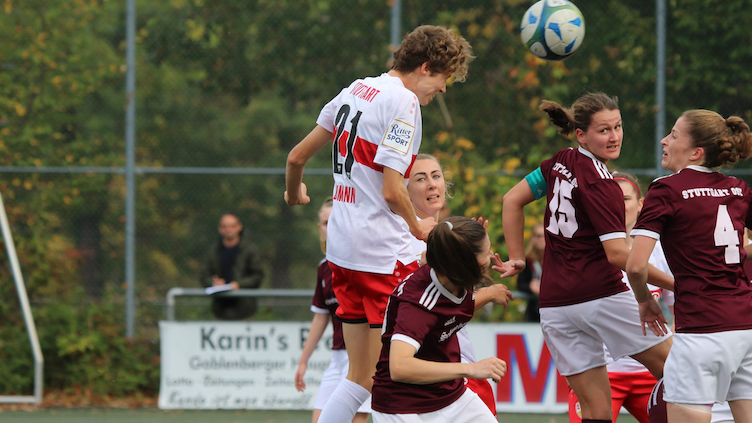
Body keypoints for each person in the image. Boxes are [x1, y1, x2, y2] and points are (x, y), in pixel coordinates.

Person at [284, 25, 474, 423]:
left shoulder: (355, 89)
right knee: (398, 377)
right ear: (425, 68)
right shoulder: (404, 103)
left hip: (341, 253)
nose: (442, 90)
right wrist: (418, 226)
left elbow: (296, 158)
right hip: (381, 257)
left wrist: (294, 192)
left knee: (359, 377)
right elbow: (392, 190)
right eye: (443, 80)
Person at [499, 92, 675, 423]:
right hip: (600, 296)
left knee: (595, 409)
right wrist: (678, 284)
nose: (614, 137)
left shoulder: (558, 162)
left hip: (554, 307)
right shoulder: (602, 183)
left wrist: (518, 257)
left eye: (618, 127)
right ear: (581, 134)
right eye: (604, 130)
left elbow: (511, 200)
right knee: (680, 371)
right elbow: (619, 255)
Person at [626, 109, 752, 423]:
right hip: (745, 329)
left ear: (696, 152)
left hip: (700, 333)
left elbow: (636, 266)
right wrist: (739, 255)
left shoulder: (666, 189)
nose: (663, 140)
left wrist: (644, 301)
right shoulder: (738, 188)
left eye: (674, 135)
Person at [371, 216, 512, 423]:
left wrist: (490, 292)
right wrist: (471, 368)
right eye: (486, 252)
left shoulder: (452, 271)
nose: (490, 256)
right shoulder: (420, 304)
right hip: (403, 408)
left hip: (451, 396)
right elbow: (399, 367)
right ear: (466, 262)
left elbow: (449, 310)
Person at [568, 171, 675, 423]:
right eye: (610, 199)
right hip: (601, 373)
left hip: (650, 372)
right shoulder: (583, 252)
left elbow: (679, 307)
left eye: (625, 199)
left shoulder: (662, 251)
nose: (618, 205)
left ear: (640, 205)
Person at [406, 153, 501, 415]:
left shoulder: (451, 235)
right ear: (404, 189)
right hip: (439, 373)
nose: (432, 184)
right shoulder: (404, 243)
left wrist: (478, 257)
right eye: (420, 178)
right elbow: (440, 308)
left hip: (457, 363)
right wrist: (489, 292)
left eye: (436, 176)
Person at [294, 198, 371, 423]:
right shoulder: (323, 267)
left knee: (356, 418)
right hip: (337, 357)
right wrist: (303, 361)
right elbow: (320, 318)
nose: (331, 227)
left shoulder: (363, 263)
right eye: (326, 222)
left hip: (360, 356)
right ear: (320, 228)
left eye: (336, 221)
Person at [199, 213, 264, 320]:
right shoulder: (214, 250)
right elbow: (204, 274)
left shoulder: (249, 250)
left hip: (245, 307)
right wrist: (213, 283)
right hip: (220, 307)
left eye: (232, 226)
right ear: (220, 229)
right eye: (225, 226)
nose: (228, 230)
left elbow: (257, 275)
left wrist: (239, 285)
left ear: (239, 227)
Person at [517, 223, 545, 322]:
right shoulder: (528, 260)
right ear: (533, 238)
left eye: (544, 235)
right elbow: (520, 284)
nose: (542, 239)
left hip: (554, 308)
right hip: (534, 311)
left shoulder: (556, 259)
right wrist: (531, 287)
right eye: (538, 236)